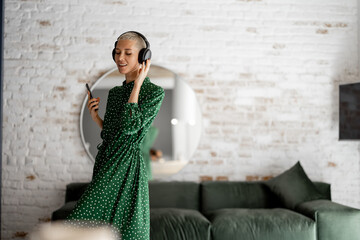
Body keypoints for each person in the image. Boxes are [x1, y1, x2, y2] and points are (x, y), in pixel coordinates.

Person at [63, 31, 165, 240]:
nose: (120, 58)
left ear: (143, 57)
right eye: (117, 52)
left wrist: (136, 86)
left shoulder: (154, 93)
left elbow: (129, 127)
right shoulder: (115, 93)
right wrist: (96, 119)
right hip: (107, 160)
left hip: (127, 165)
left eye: (128, 53)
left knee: (125, 230)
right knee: (94, 227)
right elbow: (112, 133)